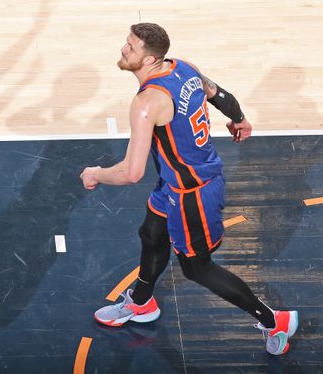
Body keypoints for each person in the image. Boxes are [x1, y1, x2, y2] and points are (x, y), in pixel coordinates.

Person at [80, 23, 298, 356]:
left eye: (131, 47)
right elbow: (219, 94)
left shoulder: (147, 103)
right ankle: (140, 302)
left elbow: (131, 173)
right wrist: (238, 118)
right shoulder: (184, 68)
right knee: (151, 233)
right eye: (127, 43)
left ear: (150, 59)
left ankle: (273, 320)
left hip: (193, 194)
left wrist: (96, 173)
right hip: (174, 182)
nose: (124, 49)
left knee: (197, 268)